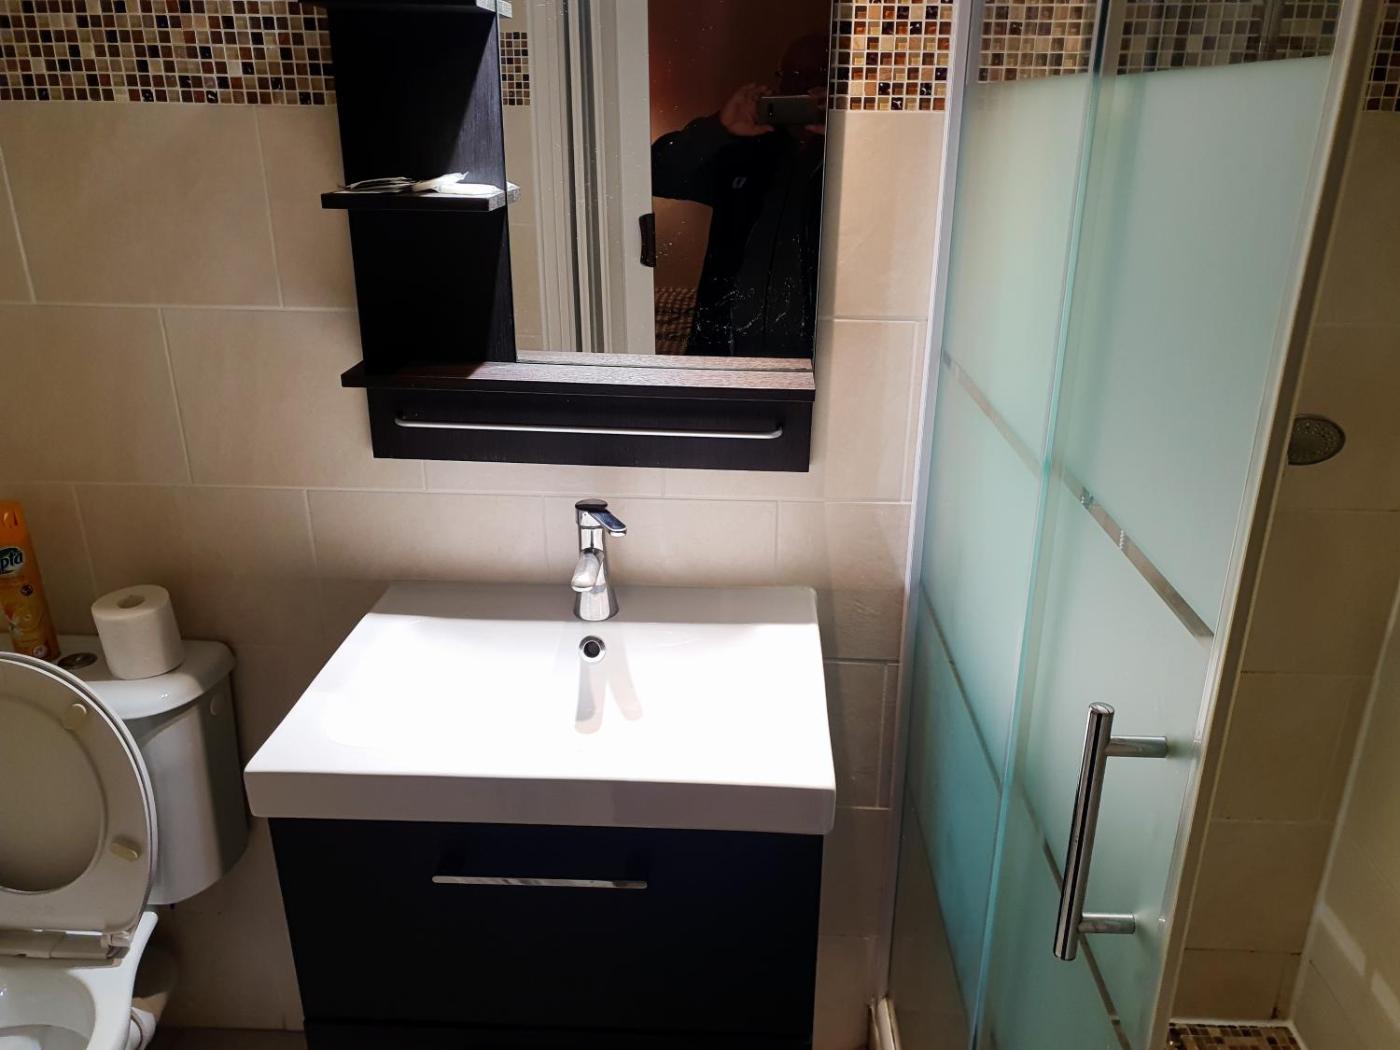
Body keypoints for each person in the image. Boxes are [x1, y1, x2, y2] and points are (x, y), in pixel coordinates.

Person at [651, 34, 829, 358]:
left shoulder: (852, 163)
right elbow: (655, 175)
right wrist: (718, 127)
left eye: (821, 73)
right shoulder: (744, 149)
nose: (807, 85)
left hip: (814, 361)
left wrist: (853, 138)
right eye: (794, 75)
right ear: (780, 82)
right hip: (724, 354)